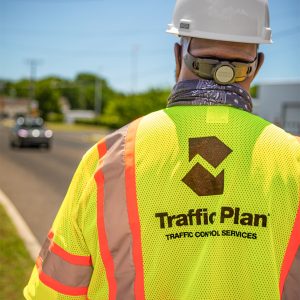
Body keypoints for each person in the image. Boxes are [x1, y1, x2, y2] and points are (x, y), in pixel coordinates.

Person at [24, 0, 300, 299]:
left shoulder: (111, 157)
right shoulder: (293, 159)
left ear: (178, 55)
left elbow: (53, 291)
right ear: (257, 66)